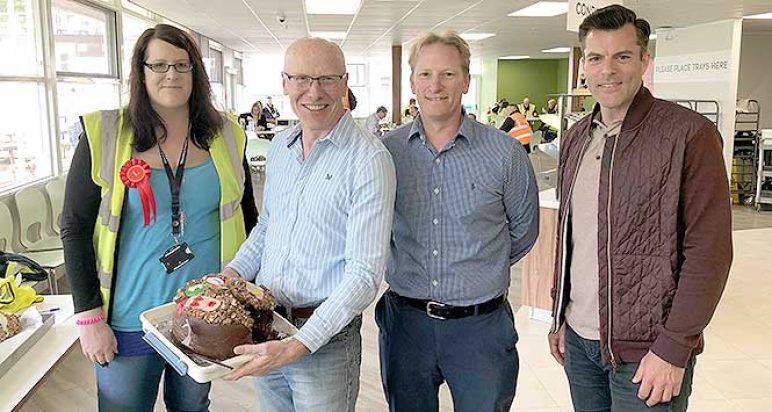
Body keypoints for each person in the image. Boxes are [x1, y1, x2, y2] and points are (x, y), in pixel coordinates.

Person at [60, 23, 257, 411]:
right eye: (159, 65)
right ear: (141, 71)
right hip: (127, 316)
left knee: (192, 407)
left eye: (183, 66)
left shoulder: (229, 135)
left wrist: (249, 306)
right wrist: (88, 318)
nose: (171, 75)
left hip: (204, 318)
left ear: (196, 74)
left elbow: (251, 221)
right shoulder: (105, 132)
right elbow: (74, 227)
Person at [547, 5, 732, 412]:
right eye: (596, 58)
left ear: (644, 61)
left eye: (623, 56)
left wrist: (673, 347)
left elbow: (710, 252)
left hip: (648, 351)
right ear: (583, 66)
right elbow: (571, 236)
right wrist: (560, 316)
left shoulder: (688, 134)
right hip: (580, 345)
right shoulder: (578, 138)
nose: (607, 70)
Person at [219, 37, 396, 412]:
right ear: (284, 83)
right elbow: (267, 227)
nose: (313, 92)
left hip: (325, 342)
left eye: (326, 79)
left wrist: (298, 345)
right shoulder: (282, 147)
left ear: (345, 83)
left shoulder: (369, 159)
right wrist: (232, 273)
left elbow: (364, 275)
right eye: (301, 78)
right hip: (268, 325)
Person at [378, 31, 539, 412]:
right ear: (413, 81)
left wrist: (479, 265)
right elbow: (376, 228)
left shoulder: (505, 154)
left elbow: (524, 230)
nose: (436, 85)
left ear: (466, 81)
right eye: (426, 74)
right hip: (406, 326)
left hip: (480, 329)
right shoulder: (386, 154)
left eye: (448, 74)